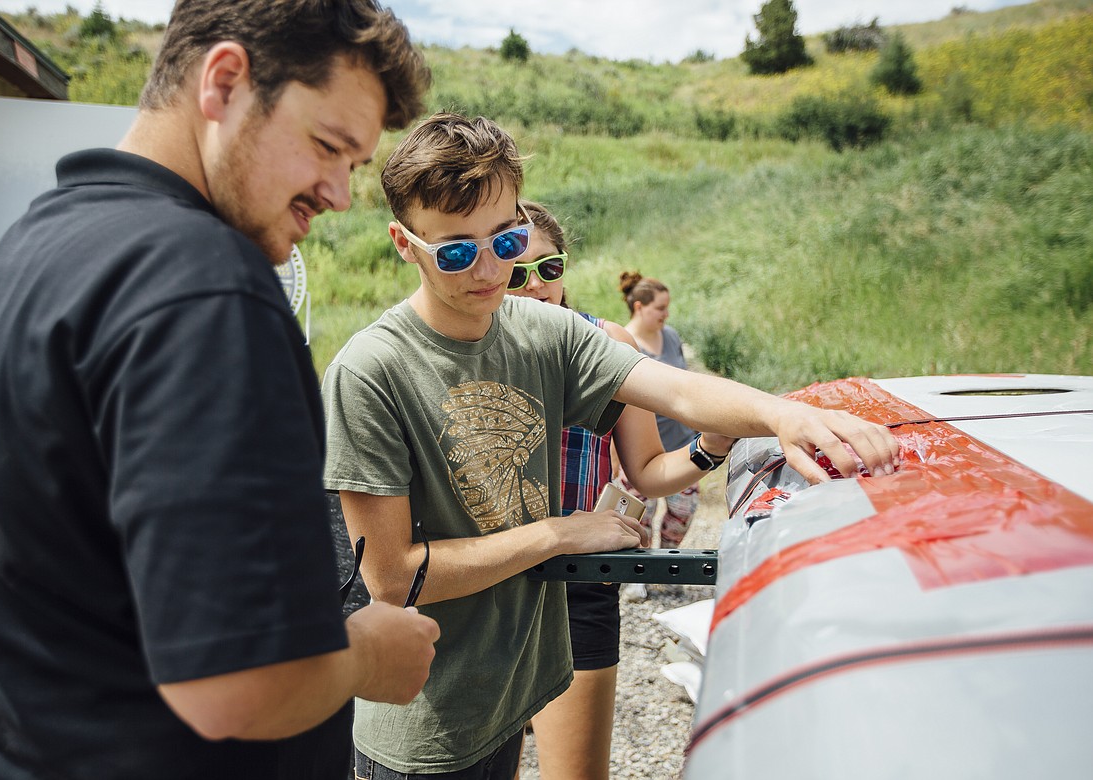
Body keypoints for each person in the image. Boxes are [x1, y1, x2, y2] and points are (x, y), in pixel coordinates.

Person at [0, 2, 440, 779]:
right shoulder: (204, 288)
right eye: (327, 147)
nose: (338, 194)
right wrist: (371, 652)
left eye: (355, 166)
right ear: (225, 81)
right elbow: (232, 686)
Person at [322, 111, 899, 780]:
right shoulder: (370, 372)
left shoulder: (542, 331)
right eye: (455, 251)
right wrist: (556, 535)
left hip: (510, 689)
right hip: (426, 721)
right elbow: (391, 577)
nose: (489, 269)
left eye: (505, 240)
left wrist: (783, 414)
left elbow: (676, 392)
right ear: (403, 242)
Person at [507, 200, 734, 779]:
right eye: (516, 272)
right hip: (486, 581)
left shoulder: (606, 343)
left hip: (578, 581)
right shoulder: (458, 346)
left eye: (549, 269)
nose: (535, 287)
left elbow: (649, 470)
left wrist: (712, 447)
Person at [618, 271, 714, 549]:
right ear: (640, 307)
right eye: (660, 308)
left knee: (682, 516)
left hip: (682, 447)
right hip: (638, 455)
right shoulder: (623, 344)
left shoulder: (670, 337)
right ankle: (638, 575)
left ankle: (670, 563)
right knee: (637, 520)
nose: (666, 314)